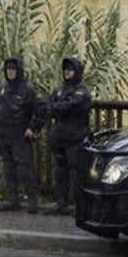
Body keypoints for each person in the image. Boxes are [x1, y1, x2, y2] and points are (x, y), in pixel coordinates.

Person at [38, 56, 93, 216]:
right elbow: (47, 106)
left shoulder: (82, 90)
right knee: (60, 172)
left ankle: (80, 206)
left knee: (76, 172)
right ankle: (61, 203)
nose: (67, 72)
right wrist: (57, 107)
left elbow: (71, 106)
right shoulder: (59, 89)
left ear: (77, 71)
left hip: (76, 138)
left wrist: (57, 107)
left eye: (70, 69)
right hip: (59, 137)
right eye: (65, 69)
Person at [0, 55, 42, 214]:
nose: (10, 72)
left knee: (24, 168)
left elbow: (42, 110)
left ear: (19, 70)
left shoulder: (28, 89)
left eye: (13, 69)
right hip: (4, 134)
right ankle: (13, 199)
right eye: (8, 70)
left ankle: (32, 200)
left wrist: (33, 128)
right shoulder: (2, 89)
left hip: (19, 135)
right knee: (8, 168)